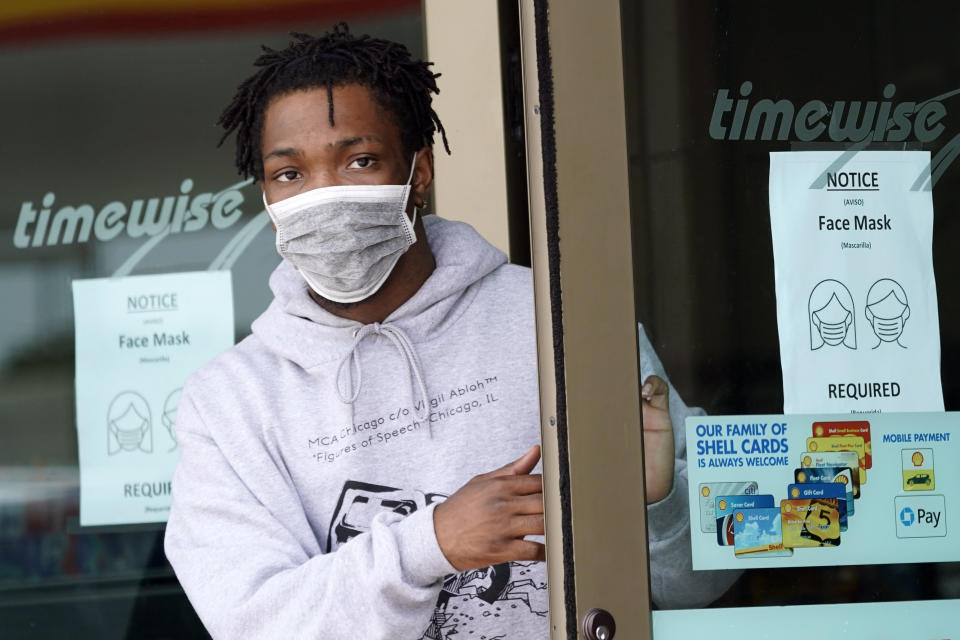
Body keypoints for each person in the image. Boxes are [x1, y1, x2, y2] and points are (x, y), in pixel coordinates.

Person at [164, 25, 736, 640]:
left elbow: (700, 587)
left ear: (419, 173)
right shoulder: (228, 404)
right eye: (290, 174)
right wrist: (431, 544)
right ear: (266, 198)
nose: (323, 196)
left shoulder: (565, 326)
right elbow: (253, 623)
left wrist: (659, 507)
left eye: (359, 160)